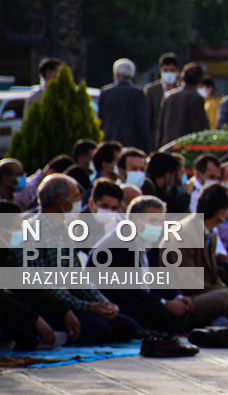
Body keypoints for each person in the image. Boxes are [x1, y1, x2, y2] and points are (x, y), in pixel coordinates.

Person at [18, 175, 140, 345]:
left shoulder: (65, 230)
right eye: (75, 197)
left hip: (68, 303)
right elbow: (42, 288)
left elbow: (77, 278)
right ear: (61, 201)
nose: (78, 202)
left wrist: (102, 302)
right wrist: (86, 307)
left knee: (127, 327)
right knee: (99, 329)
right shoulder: (31, 232)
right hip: (46, 306)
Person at [90, 196, 195, 336]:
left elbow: (158, 280)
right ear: (134, 220)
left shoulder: (148, 243)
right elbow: (127, 293)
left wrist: (177, 297)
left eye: (160, 222)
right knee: (158, 312)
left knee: (184, 309)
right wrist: (164, 303)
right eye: (152, 221)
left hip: (139, 300)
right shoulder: (115, 246)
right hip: (115, 304)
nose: (157, 226)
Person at [174, 184, 228, 327]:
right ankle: (223, 321)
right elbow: (187, 281)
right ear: (220, 212)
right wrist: (227, 294)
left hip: (209, 293)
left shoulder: (210, 233)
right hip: (188, 297)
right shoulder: (184, 233)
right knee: (224, 298)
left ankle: (224, 321)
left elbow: (214, 277)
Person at [98, 58, 153, 151]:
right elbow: (142, 122)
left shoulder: (105, 93)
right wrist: (147, 147)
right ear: (132, 75)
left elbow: (100, 119)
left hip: (108, 141)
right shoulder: (137, 93)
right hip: (131, 143)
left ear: (116, 74)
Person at [158, 62, 209, 146]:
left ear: (182, 77)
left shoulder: (168, 96)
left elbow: (160, 128)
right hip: (185, 148)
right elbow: (199, 130)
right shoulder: (196, 98)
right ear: (200, 80)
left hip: (166, 147)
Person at [144, 52, 181, 146]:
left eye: (172, 70)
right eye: (165, 70)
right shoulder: (151, 91)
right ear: (160, 70)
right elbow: (148, 119)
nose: (168, 74)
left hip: (178, 139)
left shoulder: (182, 90)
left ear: (177, 71)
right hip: (158, 140)